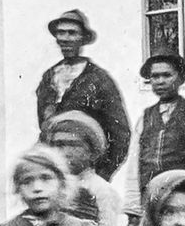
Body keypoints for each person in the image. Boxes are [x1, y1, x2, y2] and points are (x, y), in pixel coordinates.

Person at [34, 10, 132, 182]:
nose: (65, 38)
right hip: (53, 174)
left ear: (83, 39)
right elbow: (44, 127)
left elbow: (120, 134)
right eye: (61, 33)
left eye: (72, 33)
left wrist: (101, 174)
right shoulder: (48, 78)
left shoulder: (98, 79)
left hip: (86, 172)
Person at [122, 53, 185, 226]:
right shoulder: (145, 117)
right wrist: (133, 208)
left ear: (181, 79)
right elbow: (134, 162)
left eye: (167, 75)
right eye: (155, 76)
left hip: (180, 194)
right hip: (150, 195)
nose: (160, 81)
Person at [43, 110, 122, 226]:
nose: (64, 152)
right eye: (57, 145)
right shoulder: (49, 187)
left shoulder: (100, 190)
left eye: (73, 145)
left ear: (92, 152)